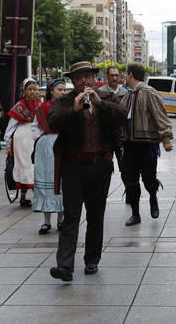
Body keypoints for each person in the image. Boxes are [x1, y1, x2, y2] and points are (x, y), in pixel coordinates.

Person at [48, 59, 127, 282]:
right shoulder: (65, 100)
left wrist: (99, 103)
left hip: (100, 166)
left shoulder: (106, 97)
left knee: (95, 215)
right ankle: (64, 265)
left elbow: (121, 116)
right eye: (79, 77)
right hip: (73, 166)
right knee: (71, 215)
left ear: (94, 78)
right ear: (72, 80)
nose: (84, 81)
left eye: (88, 76)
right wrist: (73, 110)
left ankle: (92, 259)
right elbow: (52, 122)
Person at [120, 63, 173, 226]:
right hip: (129, 145)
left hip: (147, 145)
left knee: (149, 178)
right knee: (131, 180)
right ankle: (135, 214)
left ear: (130, 75)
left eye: (125, 74)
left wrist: (166, 139)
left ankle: (153, 197)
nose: (124, 77)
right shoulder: (127, 96)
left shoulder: (149, 93)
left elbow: (160, 116)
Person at [32, 79, 65, 234]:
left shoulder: (67, 107)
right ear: (51, 90)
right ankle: (46, 222)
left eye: (64, 90)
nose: (63, 92)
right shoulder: (42, 107)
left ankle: (60, 220)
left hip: (62, 144)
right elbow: (34, 127)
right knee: (46, 181)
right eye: (60, 89)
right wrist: (41, 138)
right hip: (46, 147)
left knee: (61, 182)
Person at [5, 78, 41, 206]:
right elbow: (10, 128)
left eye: (35, 89)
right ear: (24, 91)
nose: (32, 92)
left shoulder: (40, 105)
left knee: (36, 166)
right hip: (22, 140)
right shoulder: (19, 106)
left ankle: (38, 195)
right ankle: (23, 196)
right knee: (24, 165)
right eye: (30, 89)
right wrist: (8, 144)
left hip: (36, 137)